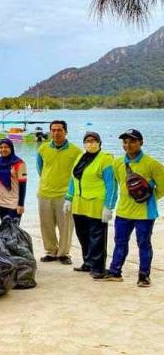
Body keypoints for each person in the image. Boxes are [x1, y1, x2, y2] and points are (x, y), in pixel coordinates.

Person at [100, 129, 164, 287]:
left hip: (145, 213)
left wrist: (148, 198)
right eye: (125, 142)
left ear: (141, 143)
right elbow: (118, 184)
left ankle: (144, 275)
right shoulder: (117, 163)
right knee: (120, 242)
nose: (128, 145)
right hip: (123, 211)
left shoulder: (152, 163)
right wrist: (109, 206)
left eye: (132, 141)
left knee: (144, 243)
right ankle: (115, 272)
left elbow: (162, 188)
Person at [64, 131, 116, 278]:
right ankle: (88, 262)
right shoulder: (81, 156)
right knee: (83, 235)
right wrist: (68, 198)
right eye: (87, 140)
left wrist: (109, 206)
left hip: (96, 204)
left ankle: (98, 268)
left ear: (99, 142)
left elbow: (112, 184)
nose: (90, 143)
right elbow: (73, 179)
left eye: (93, 140)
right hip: (79, 204)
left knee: (97, 237)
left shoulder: (105, 160)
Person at [37, 120, 82, 265]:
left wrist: (71, 193)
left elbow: (77, 174)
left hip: (65, 194)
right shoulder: (43, 149)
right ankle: (50, 251)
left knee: (66, 226)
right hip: (45, 193)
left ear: (66, 132)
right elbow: (40, 168)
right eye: (53, 130)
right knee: (46, 225)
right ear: (50, 132)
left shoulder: (76, 151)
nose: (56, 133)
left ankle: (63, 253)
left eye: (59, 130)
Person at [0, 138, 27, 220]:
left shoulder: (19, 163)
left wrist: (21, 204)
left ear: (11, 148)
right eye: (0, 147)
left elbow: (23, 185)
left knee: (13, 230)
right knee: (4, 229)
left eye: (6, 147)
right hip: (0, 201)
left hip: (13, 202)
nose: (3, 149)